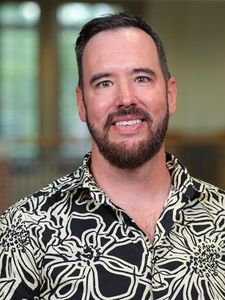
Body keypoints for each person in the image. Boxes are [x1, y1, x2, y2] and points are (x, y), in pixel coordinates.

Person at [0, 12, 225, 300]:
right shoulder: (22, 230)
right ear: (81, 103)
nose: (126, 98)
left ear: (171, 94)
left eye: (142, 78)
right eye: (104, 83)